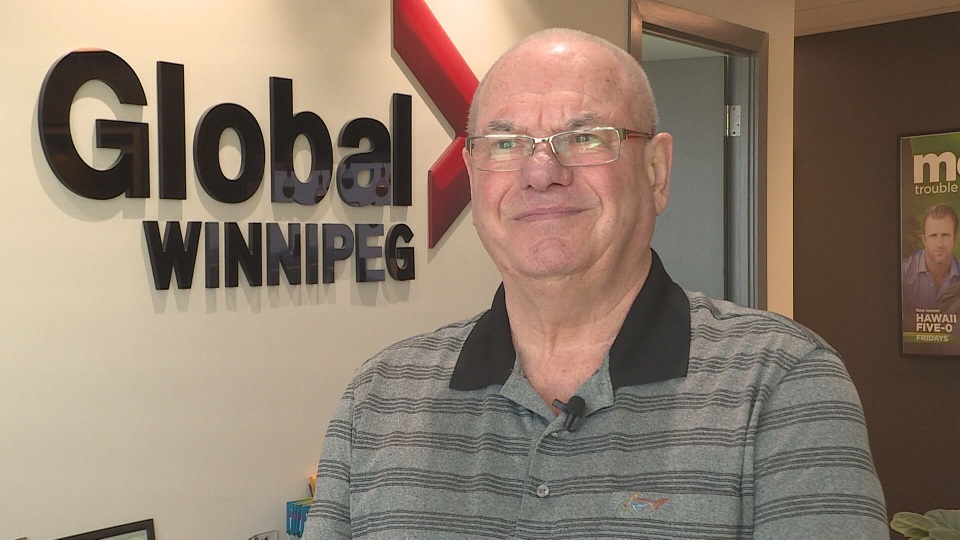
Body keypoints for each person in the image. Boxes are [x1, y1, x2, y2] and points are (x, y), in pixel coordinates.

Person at [304, 28, 887, 539]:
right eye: (505, 144)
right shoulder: (378, 399)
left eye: (583, 138)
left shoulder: (782, 385)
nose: (541, 174)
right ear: (475, 179)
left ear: (656, 171)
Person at [902, 203, 960, 320]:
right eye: (933, 235)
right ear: (924, 239)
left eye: (945, 235)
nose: (939, 244)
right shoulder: (903, 273)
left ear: (955, 238)